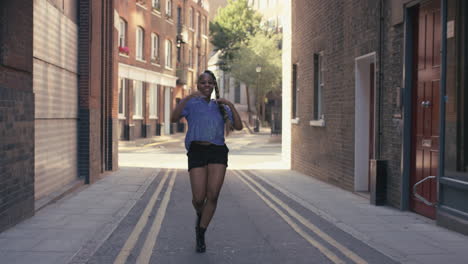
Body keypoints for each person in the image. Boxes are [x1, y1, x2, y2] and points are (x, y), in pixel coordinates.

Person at [170, 70, 243, 253]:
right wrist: (186, 97)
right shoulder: (191, 103)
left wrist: (230, 105)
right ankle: (200, 215)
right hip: (197, 150)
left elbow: (239, 126)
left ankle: (200, 233)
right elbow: (173, 118)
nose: (206, 85)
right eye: (203, 82)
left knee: (213, 195)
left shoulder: (220, 106)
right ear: (198, 85)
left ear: (214, 86)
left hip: (217, 151)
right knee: (198, 198)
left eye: (210, 83)